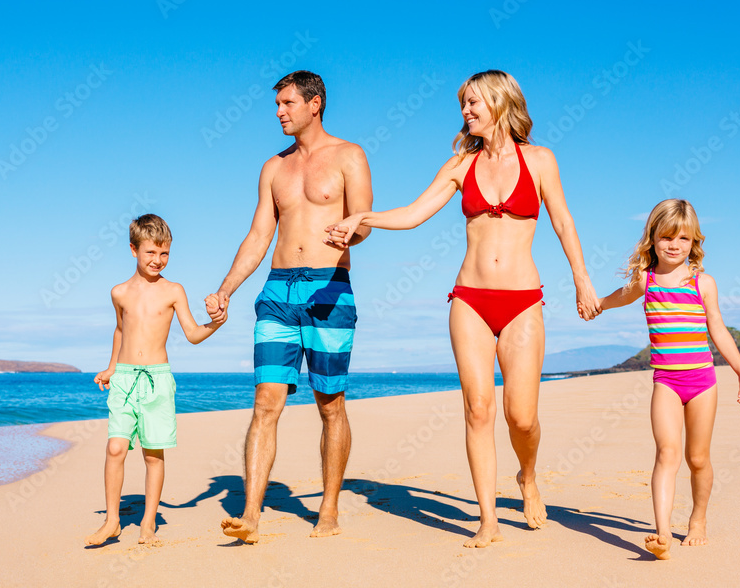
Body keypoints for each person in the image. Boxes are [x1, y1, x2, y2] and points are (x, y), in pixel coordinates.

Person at [326, 70, 600, 548]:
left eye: (473, 103)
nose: (466, 112)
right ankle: (487, 519)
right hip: (469, 299)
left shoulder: (539, 160)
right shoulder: (459, 165)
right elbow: (413, 213)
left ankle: (527, 476)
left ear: (499, 102)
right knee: (477, 409)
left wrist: (581, 277)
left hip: (522, 300)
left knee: (522, 417)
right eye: (463, 105)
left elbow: (563, 221)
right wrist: (362, 218)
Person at [208, 70, 373, 544]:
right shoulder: (273, 168)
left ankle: (328, 508)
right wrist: (227, 289)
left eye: (286, 103)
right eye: (276, 105)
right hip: (277, 292)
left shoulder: (349, 155)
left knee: (330, 404)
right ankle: (251, 514)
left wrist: (352, 232)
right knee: (265, 403)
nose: (279, 112)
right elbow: (260, 236)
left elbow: (363, 218)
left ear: (314, 103)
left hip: (329, 290)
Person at [596, 198, 740, 560]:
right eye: (666, 237)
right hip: (665, 381)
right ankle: (662, 531)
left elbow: (718, 328)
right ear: (652, 238)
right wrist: (599, 304)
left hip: (702, 382)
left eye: (682, 238)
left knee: (697, 458)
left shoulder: (703, 283)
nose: (674, 245)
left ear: (693, 241)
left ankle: (698, 519)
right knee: (667, 453)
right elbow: (621, 296)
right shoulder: (646, 281)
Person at [85, 214, 227, 547]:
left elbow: (192, 334)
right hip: (124, 379)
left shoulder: (173, 290)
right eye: (150, 253)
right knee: (115, 446)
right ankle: (111, 522)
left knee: (152, 454)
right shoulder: (118, 293)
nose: (157, 261)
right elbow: (121, 330)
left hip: (157, 380)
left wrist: (216, 322)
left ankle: (148, 523)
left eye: (164, 254)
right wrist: (110, 367)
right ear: (133, 249)